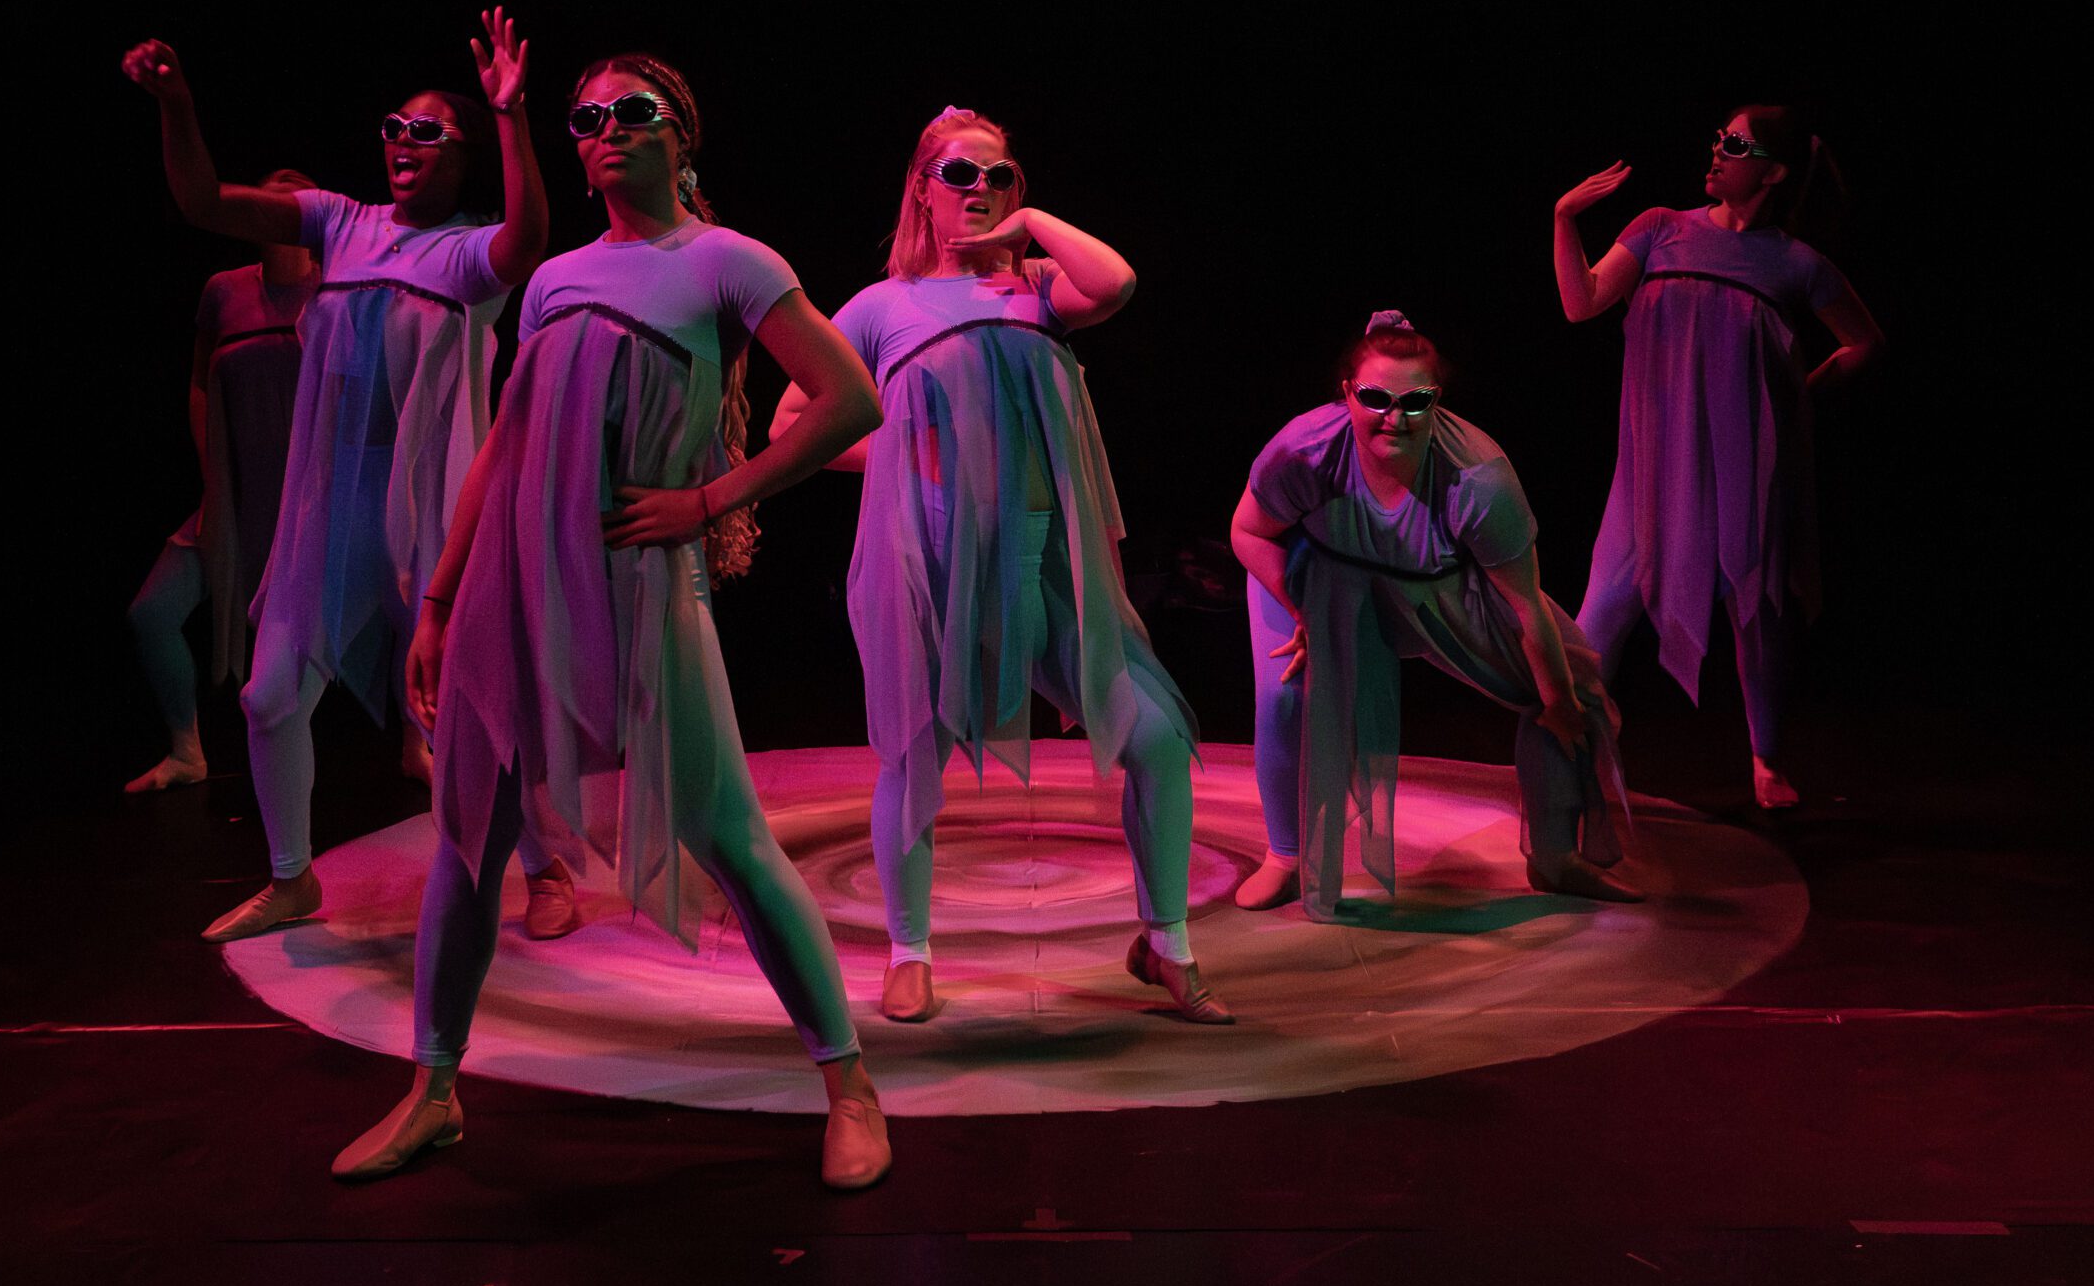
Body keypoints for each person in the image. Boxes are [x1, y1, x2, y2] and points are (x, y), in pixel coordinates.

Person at [334, 55, 893, 1190]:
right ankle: (433, 1090)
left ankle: (850, 1086)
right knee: (468, 842)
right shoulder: (553, 280)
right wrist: (437, 599)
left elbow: (851, 400)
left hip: (641, 582)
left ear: (681, 135)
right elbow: (503, 446)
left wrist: (709, 500)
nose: (604, 129)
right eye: (585, 117)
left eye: (631, 111)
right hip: (509, 585)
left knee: (730, 838)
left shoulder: (727, 261)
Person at [120, 11, 573, 942]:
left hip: (436, 510)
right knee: (270, 695)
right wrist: (177, 104)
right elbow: (203, 201)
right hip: (334, 504)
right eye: (394, 127)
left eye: (427, 131)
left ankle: (543, 864)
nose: (403, 142)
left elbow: (528, 239)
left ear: (462, 154)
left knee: (463, 707)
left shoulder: (469, 253)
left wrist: (512, 117)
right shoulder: (340, 222)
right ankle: (292, 878)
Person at [776, 106, 1224, 1026]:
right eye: (959, 173)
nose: (979, 188)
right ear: (921, 188)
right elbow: (792, 423)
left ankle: (1167, 942)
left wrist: (1031, 226)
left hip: (1042, 561)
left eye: (999, 175)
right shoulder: (880, 307)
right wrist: (901, 447)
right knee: (914, 758)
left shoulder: (1041, 289)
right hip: (932, 561)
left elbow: (1119, 281)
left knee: (1156, 740)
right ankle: (909, 951)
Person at [1229, 314, 1637, 917]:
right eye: (1375, 398)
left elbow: (1525, 604)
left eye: (1414, 401)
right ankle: (1286, 856)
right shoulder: (1305, 451)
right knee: (1286, 696)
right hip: (1317, 576)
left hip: (1435, 588)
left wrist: (1557, 700)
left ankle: (1555, 856)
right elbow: (1248, 532)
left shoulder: (1477, 478)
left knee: (1570, 693)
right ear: (1346, 392)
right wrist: (1304, 614)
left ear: (1436, 400)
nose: (1394, 417)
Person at [1553, 107, 1884, 808]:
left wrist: (1796, 398)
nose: (1717, 151)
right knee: (1602, 610)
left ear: (1774, 171)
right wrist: (1564, 219)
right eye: (1718, 139)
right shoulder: (1660, 228)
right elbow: (1582, 303)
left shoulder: (1794, 262)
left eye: (1734, 144)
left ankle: (1766, 760)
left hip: (1743, 466)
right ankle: (1565, 755)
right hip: (1654, 465)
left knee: (1758, 610)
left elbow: (1863, 342)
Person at [123, 168, 321, 794]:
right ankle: (187, 750)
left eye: (293, 194)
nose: (278, 197)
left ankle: (416, 744)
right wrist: (212, 475)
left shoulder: (335, 292)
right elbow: (200, 382)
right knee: (152, 612)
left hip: (309, 503)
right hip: (236, 496)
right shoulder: (224, 290)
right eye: (268, 195)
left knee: (400, 607)